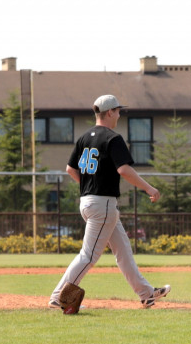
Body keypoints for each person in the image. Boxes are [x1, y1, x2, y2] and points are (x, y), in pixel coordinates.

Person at [50, 95, 171, 309]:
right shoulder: (113, 138)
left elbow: (70, 169)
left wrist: (90, 187)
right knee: (88, 256)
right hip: (102, 204)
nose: (119, 114)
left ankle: (146, 293)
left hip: (89, 201)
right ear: (108, 113)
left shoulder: (84, 138)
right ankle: (58, 297)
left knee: (123, 250)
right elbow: (124, 169)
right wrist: (149, 188)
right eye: (117, 110)